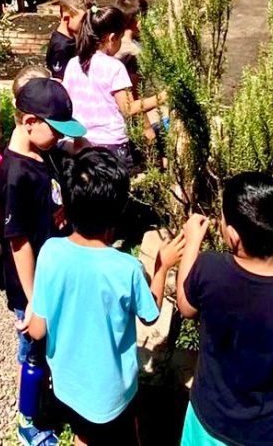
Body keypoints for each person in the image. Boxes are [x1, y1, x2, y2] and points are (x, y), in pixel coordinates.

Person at [25, 148, 185, 445]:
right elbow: (150, 315)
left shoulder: (50, 252)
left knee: (84, 435)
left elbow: (36, 329)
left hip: (66, 387)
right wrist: (161, 267)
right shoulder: (126, 268)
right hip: (112, 395)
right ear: (118, 210)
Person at [176, 173, 273, 446]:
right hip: (264, 434)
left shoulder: (210, 268)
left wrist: (192, 240)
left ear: (232, 236)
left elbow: (185, 306)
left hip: (208, 421)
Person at [0, 77, 86, 446]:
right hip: (33, 286)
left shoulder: (43, 153)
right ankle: (28, 420)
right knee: (32, 353)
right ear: (29, 121)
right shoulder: (14, 174)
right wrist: (35, 300)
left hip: (53, 272)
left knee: (49, 347)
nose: (61, 138)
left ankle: (50, 396)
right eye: (56, 129)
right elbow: (17, 242)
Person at [62, 6, 165, 171]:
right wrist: (161, 97)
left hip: (80, 143)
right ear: (112, 38)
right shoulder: (114, 67)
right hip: (110, 147)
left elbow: (66, 99)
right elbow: (128, 109)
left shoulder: (73, 63)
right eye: (121, 38)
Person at [46, 0, 94, 81]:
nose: (88, 24)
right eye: (83, 20)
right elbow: (59, 80)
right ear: (67, 18)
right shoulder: (60, 47)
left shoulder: (69, 40)